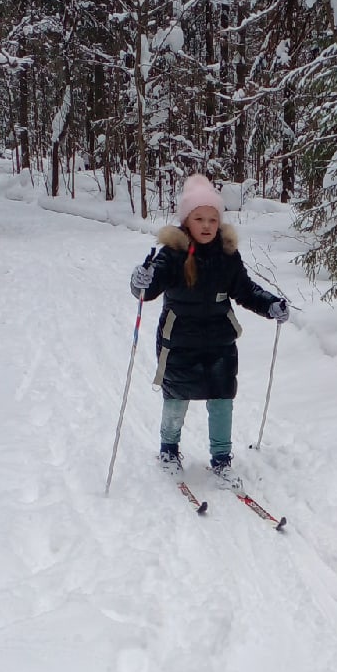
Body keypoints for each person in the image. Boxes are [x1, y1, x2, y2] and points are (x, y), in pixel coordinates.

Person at [130, 174, 288, 478]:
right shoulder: (172, 254)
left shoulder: (227, 255)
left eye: (212, 220)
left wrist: (270, 304)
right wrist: (140, 281)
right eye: (199, 218)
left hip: (219, 341)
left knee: (222, 398)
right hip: (178, 341)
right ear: (187, 220)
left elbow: (245, 290)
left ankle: (221, 458)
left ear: (219, 222)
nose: (206, 226)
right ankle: (168, 450)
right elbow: (147, 291)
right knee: (176, 397)